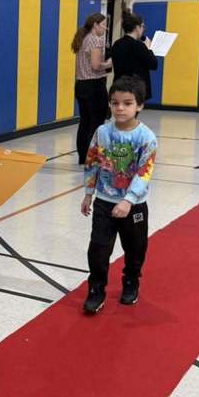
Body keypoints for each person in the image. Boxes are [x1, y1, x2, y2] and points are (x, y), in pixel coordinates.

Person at [80, 76, 157, 314]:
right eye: (115, 103)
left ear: (139, 105)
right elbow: (92, 162)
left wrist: (128, 200)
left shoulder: (146, 138)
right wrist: (88, 194)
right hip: (104, 202)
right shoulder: (102, 132)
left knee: (135, 248)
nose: (120, 108)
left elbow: (144, 172)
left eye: (127, 103)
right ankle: (96, 289)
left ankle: (131, 281)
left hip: (133, 206)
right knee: (99, 248)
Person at [72, 13, 112, 165]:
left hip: (81, 85)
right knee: (96, 123)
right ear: (96, 25)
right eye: (104, 24)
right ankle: (93, 158)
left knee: (85, 122)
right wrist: (109, 64)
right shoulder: (95, 39)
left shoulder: (82, 38)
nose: (106, 28)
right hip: (94, 85)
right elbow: (96, 66)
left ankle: (83, 157)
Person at [110, 9, 158, 102]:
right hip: (135, 89)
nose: (143, 29)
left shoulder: (117, 44)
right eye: (142, 26)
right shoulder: (138, 46)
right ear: (137, 27)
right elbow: (153, 64)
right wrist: (149, 49)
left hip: (119, 86)